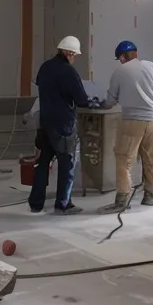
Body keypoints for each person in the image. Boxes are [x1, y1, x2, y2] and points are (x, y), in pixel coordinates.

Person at [29, 36, 99, 214]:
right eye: (74, 54)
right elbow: (81, 100)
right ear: (69, 53)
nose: (74, 57)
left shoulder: (45, 67)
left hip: (44, 124)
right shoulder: (69, 72)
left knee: (43, 164)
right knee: (67, 164)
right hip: (63, 126)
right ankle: (63, 204)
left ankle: (36, 203)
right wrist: (93, 102)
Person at [98, 40, 153, 214]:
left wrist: (101, 104)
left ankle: (122, 199)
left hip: (132, 121)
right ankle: (150, 195)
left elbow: (111, 101)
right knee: (150, 158)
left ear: (122, 57)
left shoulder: (120, 71)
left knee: (123, 158)